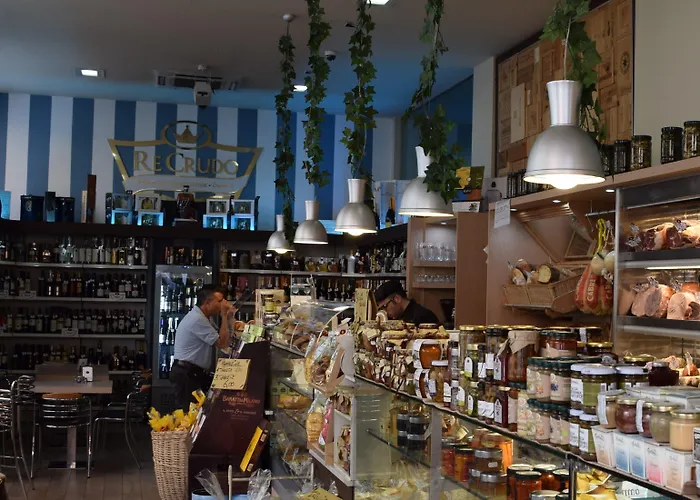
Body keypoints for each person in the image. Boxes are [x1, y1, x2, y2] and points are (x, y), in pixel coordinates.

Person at [170, 285, 235, 409]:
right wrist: (224, 315)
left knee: (197, 410)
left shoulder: (204, 317)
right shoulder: (197, 319)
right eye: (220, 301)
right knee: (189, 412)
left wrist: (229, 317)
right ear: (207, 303)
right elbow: (222, 343)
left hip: (193, 372)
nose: (223, 304)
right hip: (187, 374)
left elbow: (225, 336)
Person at [374, 280, 439, 325]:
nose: (384, 312)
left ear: (397, 299)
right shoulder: (394, 318)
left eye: (385, 306)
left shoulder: (423, 317)